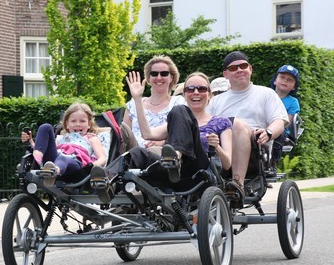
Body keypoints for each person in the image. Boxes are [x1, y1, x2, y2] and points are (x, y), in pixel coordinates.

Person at [91, 71, 233, 199]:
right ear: (184, 94)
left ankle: (175, 157)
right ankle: (106, 181)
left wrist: (217, 147)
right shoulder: (178, 119)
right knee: (137, 153)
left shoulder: (221, 122)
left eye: (201, 89)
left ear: (209, 94)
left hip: (199, 170)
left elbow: (227, 165)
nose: (196, 92)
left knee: (179, 110)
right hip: (171, 172)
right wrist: (137, 100)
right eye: (190, 89)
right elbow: (148, 134)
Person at [207, 51, 289, 207]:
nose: (239, 70)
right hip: (220, 150)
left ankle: (238, 184)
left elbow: (280, 120)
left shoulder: (266, 94)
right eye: (233, 68)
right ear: (225, 74)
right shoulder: (216, 101)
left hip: (255, 151)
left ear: (250, 69)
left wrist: (268, 132)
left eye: (243, 66)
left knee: (236, 124)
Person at [21, 102, 107, 186]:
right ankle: (38, 162)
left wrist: (93, 166)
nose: (78, 124)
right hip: (54, 160)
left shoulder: (91, 138)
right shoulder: (61, 138)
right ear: (67, 124)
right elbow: (47, 149)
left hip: (76, 165)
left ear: (89, 124)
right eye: (73, 121)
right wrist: (31, 141)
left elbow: (102, 158)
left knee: (63, 158)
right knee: (45, 127)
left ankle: (54, 172)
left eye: (82, 121)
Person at [123, 55, 186, 151]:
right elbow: (125, 137)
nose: (159, 77)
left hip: (164, 155)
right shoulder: (133, 104)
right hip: (134, 154)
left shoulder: (178, 103)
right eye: (154, 74)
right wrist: (137, 99)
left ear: (171, 77)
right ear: (148, 78)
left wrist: (163, 142)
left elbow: (181, 134)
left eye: (164, 73)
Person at [268, 64, 301, 176]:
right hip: (261, 125)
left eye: (290, 80)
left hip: (280, 128)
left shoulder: (293, 102)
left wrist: (273, 126)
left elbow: (288, 121)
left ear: (293, 87)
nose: (285, 81)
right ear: (275, 80)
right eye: (282, 77)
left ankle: (272, 163)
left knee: (279, 132)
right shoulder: (266, 94)